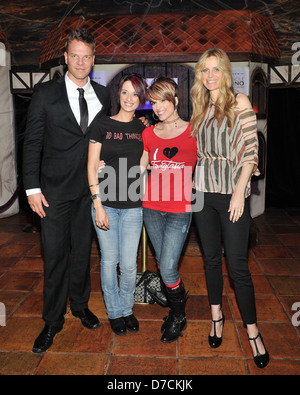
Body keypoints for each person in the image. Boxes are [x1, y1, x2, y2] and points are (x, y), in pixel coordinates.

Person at [23, 29, 111, 353]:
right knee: (56, 257)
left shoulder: (103, 96)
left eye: (87, 56)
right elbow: (32, 142)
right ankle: (52, 321)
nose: (81, 62)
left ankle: (80, 305)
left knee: (82, 254)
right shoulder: (45, 93)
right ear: (65, 57)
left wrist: (106, 163)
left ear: (93, 58)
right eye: (75, 55)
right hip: (53, 192)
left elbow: (106, 141)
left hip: (89, 191)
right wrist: (32, 188)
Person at [190, 48, 269, 368]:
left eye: (216, 69)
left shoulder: (239, 103)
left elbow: (251, 151)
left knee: (238, 267)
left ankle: (253, 333)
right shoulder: (200, 107)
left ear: (225, 72)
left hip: (232, 193)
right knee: (210, 260)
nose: (210, 75)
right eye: (204, 70)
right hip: (201, 194)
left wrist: (239, 195)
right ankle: (216, 317)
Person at [87, 74, 147, 335]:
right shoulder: (101, 125)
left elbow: (147, 165)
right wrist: (97, 204)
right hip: (106, 204)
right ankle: (114, 312)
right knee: (109, 261)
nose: (129, 98)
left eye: (134, 94)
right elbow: (91, 166)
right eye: (125, 92)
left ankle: (126, 309)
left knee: (130, 264)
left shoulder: (143, 129)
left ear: (140, 98)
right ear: (118, 95)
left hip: (134, 206)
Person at [140, 77, 197, 343]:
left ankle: (178, 315)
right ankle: (176, 304)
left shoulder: (194, 130)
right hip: (151, 206)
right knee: (164, 263)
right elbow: (140, 167)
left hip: (180, 208)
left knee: (169, 267)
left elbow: (210, 159)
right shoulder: (148, 133)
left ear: (175, 99)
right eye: (153, 102)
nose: (157, 107)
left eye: (162, 100)